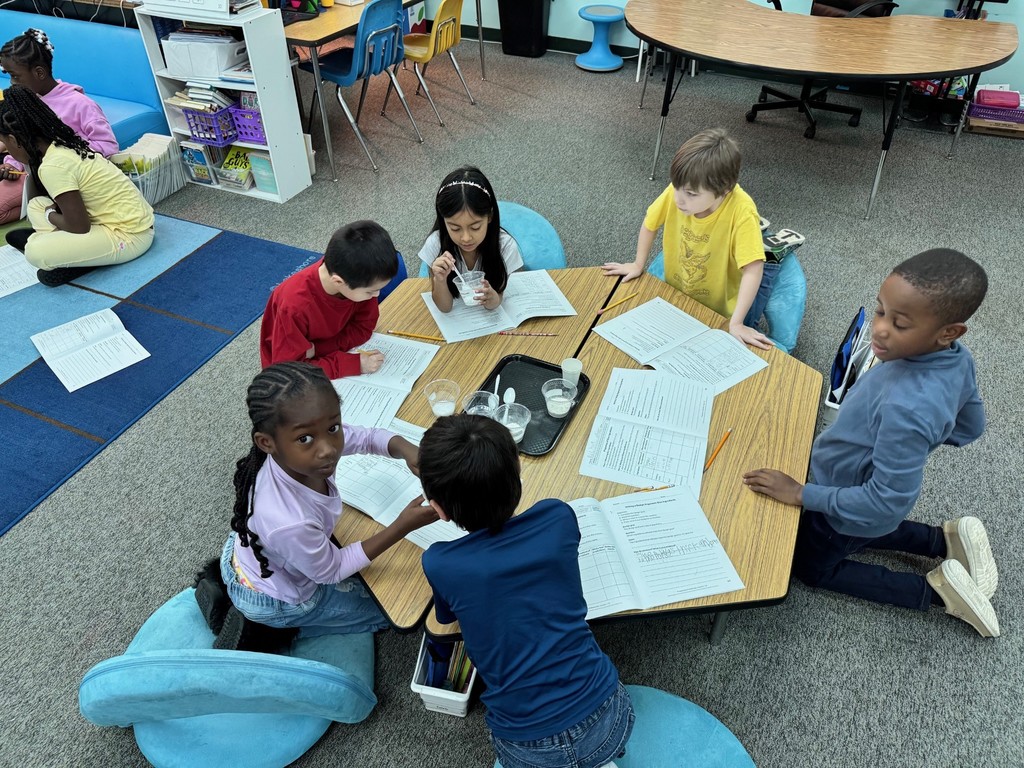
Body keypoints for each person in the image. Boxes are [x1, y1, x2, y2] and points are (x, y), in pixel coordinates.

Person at [744, 249, 1000, 637]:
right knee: (864, 530)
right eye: (881, 311)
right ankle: (943, 541)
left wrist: (801, 494)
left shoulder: (907, 410)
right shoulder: (957, 358)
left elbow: (884, 501)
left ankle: (938, 592)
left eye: (900, 324)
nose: (879, 329)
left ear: (948, 332)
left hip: (843, 502)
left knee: (812, 567)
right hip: (854, 496)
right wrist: (922, 432)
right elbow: (971, 427)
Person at [419, 415, 634, 768]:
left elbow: (447, 620)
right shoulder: (557, 516)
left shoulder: (440, 562)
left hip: (527, 748)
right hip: (608, 719)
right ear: (518, 475)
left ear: (438, 509)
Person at [217, 361, 438, 647]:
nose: (328, 449)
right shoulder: (289, 521)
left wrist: (407, 449)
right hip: (275, 597)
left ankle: (228, 592)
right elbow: (332, 570)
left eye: (333, 427)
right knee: (391, 613)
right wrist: (401, 527)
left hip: (254, 553)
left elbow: (367, 437)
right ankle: (265, 631)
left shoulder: (306, 449)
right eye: (305, 438)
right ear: (266, 442)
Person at [602, 128, 772, 349]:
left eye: (691, 194)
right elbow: (650, 223)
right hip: (677, 295)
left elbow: (754, 268)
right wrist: (637, 264)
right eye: (676, 188)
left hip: (719, 310)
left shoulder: (742, 211)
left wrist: (737, 323)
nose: (678, 200)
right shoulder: (682, 189)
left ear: (724, 189)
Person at [0, 85, 152, 287]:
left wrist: (49, 215)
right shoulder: (59, 144)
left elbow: (79, 226)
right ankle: (74, 250)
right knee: (36, 205)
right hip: (112, 221)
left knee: (35, 251)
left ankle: (79, 258)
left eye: (5, 143)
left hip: (130, 235)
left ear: (13, 140)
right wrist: (30, 163)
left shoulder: (53, 165)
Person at [0, 28, 118, 224]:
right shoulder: (24, 103)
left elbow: (109, 146)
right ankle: (40, 208)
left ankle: (47, 210)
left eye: (16, 76)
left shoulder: (80, 104)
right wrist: (11, 165)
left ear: (39, 73)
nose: (12, 83)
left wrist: (66, 152)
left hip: (66, 178)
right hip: (32, 174)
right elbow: (22, 142)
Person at [260, 220, 398, 379]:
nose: (377, 295)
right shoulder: (294, 306)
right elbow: (291, 372)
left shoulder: (358, 277)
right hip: (290, 375)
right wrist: (353, 364)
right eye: (371, 292)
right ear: (338, 282)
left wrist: (318, 349)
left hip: (316, 358)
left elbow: (364, 327)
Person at [419, 166, 523, 313]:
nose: (466, 238)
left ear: (490, 216)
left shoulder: (505, 246)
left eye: (475, 227)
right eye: (455, 228)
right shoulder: (436, 245)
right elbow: (445, 307)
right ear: (444, 221)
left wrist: (493, 298)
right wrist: (440, 280)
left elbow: (496, 300)